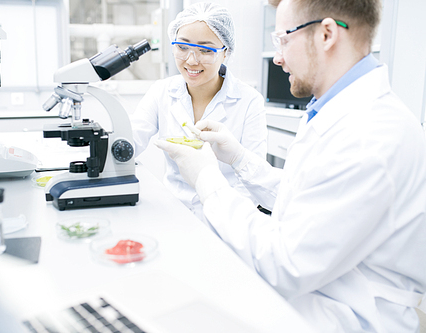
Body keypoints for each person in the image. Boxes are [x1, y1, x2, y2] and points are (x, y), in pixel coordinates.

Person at [155, 0, 426, 332]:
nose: (279, 58)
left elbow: (286, 264)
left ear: (327, 34)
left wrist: (206, 179)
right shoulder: (337, 110)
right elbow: (308, 197)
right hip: (315, 296)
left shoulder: (371, 134)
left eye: (282, 39)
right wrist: (240, 158)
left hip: (348, 317)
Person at [130, 2, 267, 222]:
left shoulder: (249, 101)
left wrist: (223, 220)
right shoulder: (161, 92)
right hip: (173, 213)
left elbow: (253, 179)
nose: (191, 60)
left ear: (226, 52)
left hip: (226, 216)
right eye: (182, 47)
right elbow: (130, 142)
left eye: (206, 50)